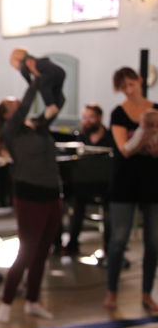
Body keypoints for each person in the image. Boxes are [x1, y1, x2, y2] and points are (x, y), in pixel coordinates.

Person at [0, 77, 62, 323]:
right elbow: (25, 106)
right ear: (4, 114)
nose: (19, 105)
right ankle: (6, 301)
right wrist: (33, 82)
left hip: (52, 193)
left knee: (43, 252)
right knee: (26, 251)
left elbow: (57, 103)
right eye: (13, 104)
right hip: (29, 195)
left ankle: (33, 301)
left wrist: (50, 85)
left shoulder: (36, 126)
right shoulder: (9, 131)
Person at [103, 67, 158, 313]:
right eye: (123, 86)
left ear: (139, 81)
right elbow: (124, 149)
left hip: (152, 182)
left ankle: (147, 293)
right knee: (118, 240)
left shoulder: (155, 108)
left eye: (131, 84)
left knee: (154, 241)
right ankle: (111, 292)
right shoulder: (118, 113)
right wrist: (144, 134)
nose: (129, 89)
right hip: (125, 182)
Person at [55, 103, 115, 256]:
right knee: (74, 205)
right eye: (84, 117)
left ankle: (109, 250)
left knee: (110, 211)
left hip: (105, 185)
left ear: (99, 118)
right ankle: (71, 245)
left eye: (91, 117)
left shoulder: (110, 137)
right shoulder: (81, 137)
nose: (87, 121)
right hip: (83, 184)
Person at [9, 48, 66, 121]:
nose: (14, 68)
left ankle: (50, 105)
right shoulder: (34, 60)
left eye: (13, 65)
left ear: (16, 60)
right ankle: (56, 105)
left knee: (44, 86)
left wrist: (31, 84)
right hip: (60, 72)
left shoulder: (25, 63)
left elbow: (26, 75)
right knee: (56, 91)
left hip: (50, 72)